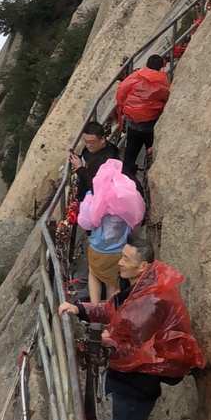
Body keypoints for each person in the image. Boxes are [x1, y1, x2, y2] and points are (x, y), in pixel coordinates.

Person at [58, 232, 202, 420]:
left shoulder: (149, 301)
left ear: (143, 266)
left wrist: (98, 341)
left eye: (126, 259)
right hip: (138, 379)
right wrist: (81, 309)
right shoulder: (139, 288)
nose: (119, 263)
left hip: (136, 382)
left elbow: (125, 341)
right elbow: (112, 310)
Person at [77, 159, 144, 303]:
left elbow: (85, 222)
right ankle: (109, 316)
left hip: (96, 249)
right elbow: (136, 220)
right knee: (113, 285)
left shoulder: (93, 198)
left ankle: (94, 312)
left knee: (94, 275)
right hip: (117, 251)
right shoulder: (127, 201)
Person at [115, 54, 171, 181]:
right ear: (162, 66)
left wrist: (123, 110)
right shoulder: (163, 80)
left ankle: (126, 180)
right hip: (150, 122)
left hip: (133, 121)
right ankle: (149, 175)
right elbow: (165, 98)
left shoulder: (136, 76)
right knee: (151, 149)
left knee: (130, 152)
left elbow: (121, 92)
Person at [68, 119, 120, 202]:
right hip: (84, 188)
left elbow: (97, 186)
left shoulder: (109, 160)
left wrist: (80, 168)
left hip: (94, 198)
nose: (88, 145)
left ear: (102, 139)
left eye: (91, 142)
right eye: (85, 141)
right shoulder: (93, 148)